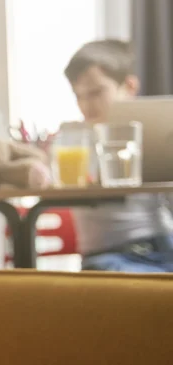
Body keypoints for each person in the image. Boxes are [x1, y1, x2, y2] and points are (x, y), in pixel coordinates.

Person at [64, 39, 173, 272]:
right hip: (109, 254)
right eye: (79, 96)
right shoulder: (72, 141)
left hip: (164, 241)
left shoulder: (156, 129)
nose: (86, 105)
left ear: (130, 86)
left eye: (96, 92)